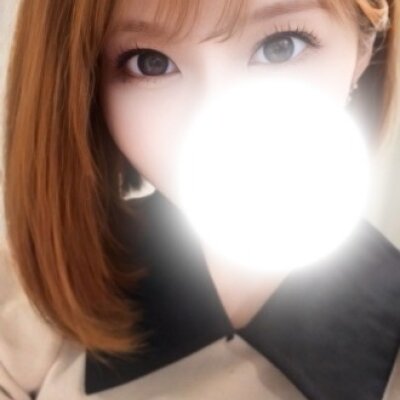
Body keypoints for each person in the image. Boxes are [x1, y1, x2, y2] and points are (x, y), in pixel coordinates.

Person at [1, 0, 400, 399]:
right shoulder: (30, 295)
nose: (224, 129)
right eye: (150, 63)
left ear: (364, 44)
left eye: (280, 46)